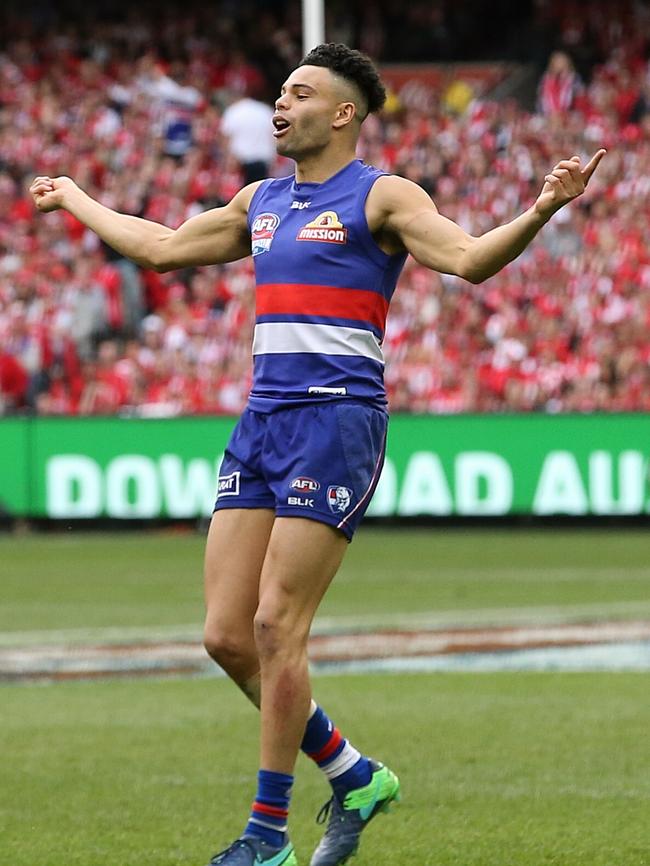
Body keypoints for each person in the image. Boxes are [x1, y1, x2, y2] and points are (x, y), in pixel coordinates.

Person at [30, 42, 605, 866]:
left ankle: (266, 837)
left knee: (275, 625)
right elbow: (159, 246)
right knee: (226, 636)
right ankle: (354, 772)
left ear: (343, 114)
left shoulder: (384, 195)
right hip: (263, 422)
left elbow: (470, 260)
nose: (280, 103)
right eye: (279, 91)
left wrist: (544, 207)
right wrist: (78, 196)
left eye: (299, 93)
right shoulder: (259, 200)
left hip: (336, 421)